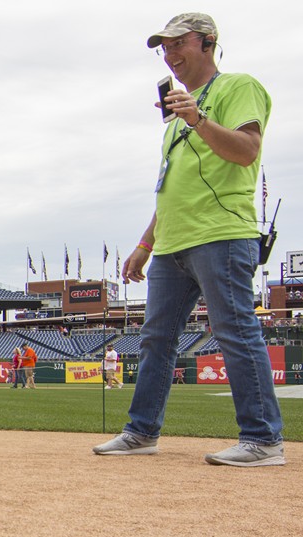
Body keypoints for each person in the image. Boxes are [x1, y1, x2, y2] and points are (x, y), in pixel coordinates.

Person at [95, 13, 284, 467]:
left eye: (179, 43)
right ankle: (142, 431)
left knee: (235, 331)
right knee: (155, 339)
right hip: (172, 243)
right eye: (165, 48)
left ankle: (263, 439)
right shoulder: (174, 119)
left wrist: (198, 118)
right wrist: (145, 244)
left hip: (221, 233)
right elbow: (171, 186)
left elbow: (246, 151)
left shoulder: (237, 86)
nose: (170, 54)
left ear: (208, 42)